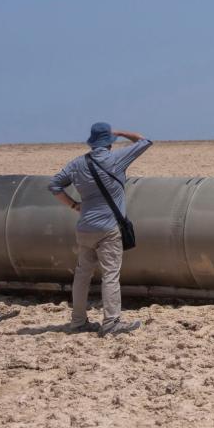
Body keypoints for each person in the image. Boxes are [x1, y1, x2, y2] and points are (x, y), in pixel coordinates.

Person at [49, 122, 152, 336]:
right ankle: (112, 323)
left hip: (85, 227)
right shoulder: (116, 159)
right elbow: (145, 141)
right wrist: (122, 132)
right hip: (108, 228)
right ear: (110, 142)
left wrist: (74, 205)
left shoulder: (77, 163)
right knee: (110, 275)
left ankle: (78, 322)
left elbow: (54, 185)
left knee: (82, 275)